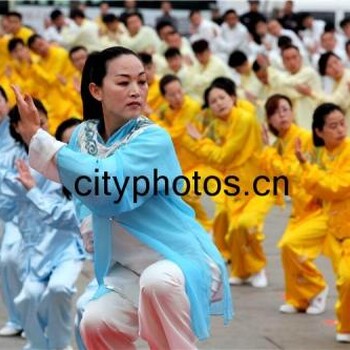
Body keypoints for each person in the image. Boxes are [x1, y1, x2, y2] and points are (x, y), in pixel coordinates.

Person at [12, 46, 233, 349]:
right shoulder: (82, 136)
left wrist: (39, 138)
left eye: (142, 82)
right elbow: (76, 183)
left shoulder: (153, 138)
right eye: (123, 82)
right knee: (94, 322)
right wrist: (86, 220)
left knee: (157, 284)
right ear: (96, 90)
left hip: (174, 257)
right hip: (127, 266)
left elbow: (109, 185)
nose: (136, 91)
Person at [0, 98, 84, 349]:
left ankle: (57, 344)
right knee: (28, 297)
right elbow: (7, 208)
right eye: (29, 122)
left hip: (65, 244)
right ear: (16, 127)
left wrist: (31, 190)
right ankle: (39, 343)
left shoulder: (66, 163)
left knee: (60, 290)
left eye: (40, 121)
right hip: (34, 241)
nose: (38, 127)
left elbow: (65, 214)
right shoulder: (16, 159)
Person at [183, 77, 270, 287]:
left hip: (256, 184)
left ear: (232, 97)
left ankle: (257, 268)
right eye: (213, 101)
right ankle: (241, 270)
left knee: (247, 226)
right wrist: (202, 144)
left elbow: (224, 156)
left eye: (222, 98)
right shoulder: (216, 124)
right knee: (233, 228)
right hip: (234, 184)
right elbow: (204, 151)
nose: (219, 103)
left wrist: (200, 142)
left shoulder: (244, 119)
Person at [261, 94, 329, 315]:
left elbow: (292, 171)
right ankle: (298, 299)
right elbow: (274, 173)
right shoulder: (280, 143)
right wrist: (270, 151)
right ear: (269, 120)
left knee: (291, 246)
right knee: (287, 252)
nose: (281, 115)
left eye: (285, 109)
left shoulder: (303, 137)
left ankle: (318, 287)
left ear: (292, 112)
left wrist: (270, 153)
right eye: (275, 112)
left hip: (316, 206)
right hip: (299, 208)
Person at [295, 103, 350, 343]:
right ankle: (310, 291)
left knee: (347, 279)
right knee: (290, 244)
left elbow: (336, 187)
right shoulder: (321, 154)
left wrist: (308, 168)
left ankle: (346, 325)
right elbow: (310, 186)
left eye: (342, 123)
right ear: (319, 131)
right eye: (333, 125)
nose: (340, 129)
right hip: (333, 226)